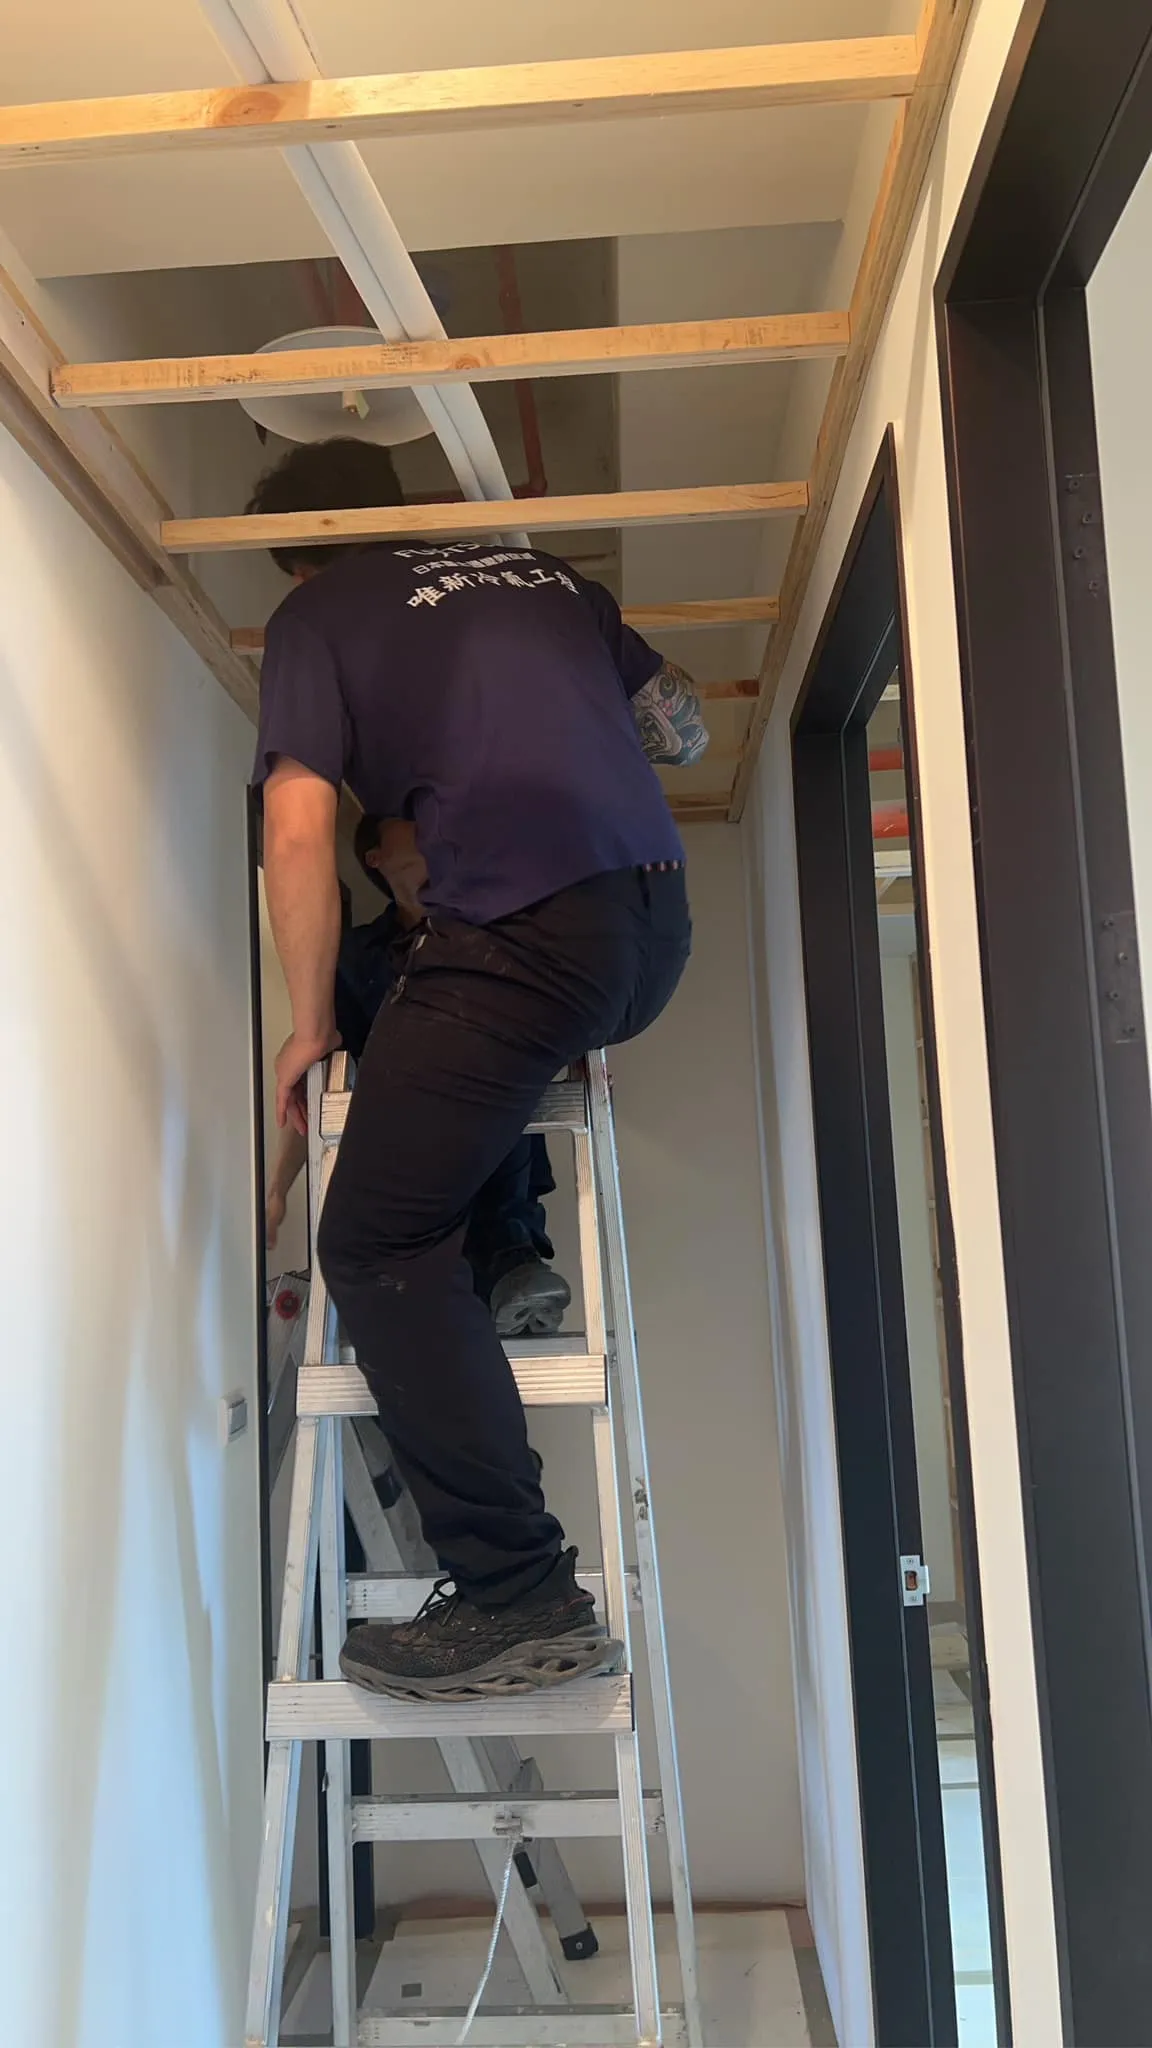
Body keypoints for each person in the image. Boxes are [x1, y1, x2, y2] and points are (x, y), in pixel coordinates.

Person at [251, 437, 706, 1702]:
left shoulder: (312, 615)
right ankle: (510, 1266)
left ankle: (517, 1592)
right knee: (433, 1152)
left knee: (376, 1239)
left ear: (299, 555)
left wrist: (307, 1021)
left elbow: (298, 826)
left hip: (523, 930)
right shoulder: (545, 577)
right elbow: (683, 729)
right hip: (651, 931)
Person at [265, 813, 573, 1338]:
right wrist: (278, 1189)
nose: (432, 838)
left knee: (499, 1076)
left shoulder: (491, 937)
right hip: (404, 1157)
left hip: (491, 1137)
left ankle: (510, 1263)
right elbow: (317, 1077)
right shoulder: (354, 959)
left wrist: (582, 1050)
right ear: (376, 857)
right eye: (412, 828)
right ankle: (471, 1284)